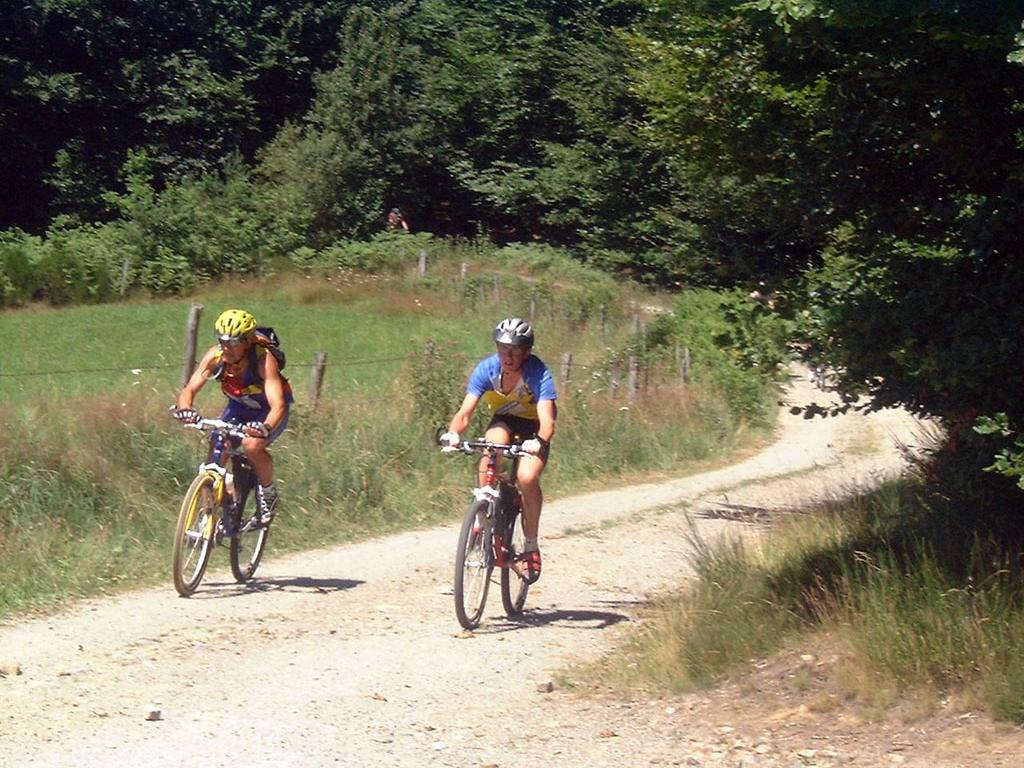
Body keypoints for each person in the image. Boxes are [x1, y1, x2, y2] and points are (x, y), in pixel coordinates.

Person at [440, 318, 557, 583]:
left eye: (515, 350)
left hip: (535, 428)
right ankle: (483, 517)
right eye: (503, 348)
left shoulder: (537, 373)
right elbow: (465, 412)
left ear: (526, 352)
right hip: (504, 420)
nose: (508, 355)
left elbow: (548, 420)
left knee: (527, 478)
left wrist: (538, 441)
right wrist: (453, 433)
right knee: (490, 449)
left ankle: (530, 545)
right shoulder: (487, 370)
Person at [173, 308, 293, 524]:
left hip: (267, 411)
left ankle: (268, 493)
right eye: (222, 340)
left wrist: (264, 427)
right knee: (216, 451)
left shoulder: (264, 360)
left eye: (233, 342)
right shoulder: (215, 357)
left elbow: (278, 405)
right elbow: (189, 389)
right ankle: (210, 517)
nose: (226, 347)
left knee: (251, 445)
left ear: (247, 341)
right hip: (238, 408)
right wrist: (186, 409)